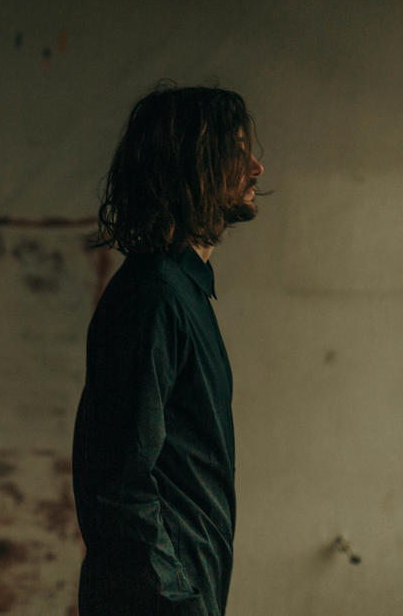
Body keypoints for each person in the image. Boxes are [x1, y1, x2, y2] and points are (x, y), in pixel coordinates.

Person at [72, 84, 264, 615]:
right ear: (193, 166)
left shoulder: (184, 293)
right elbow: (119, 484)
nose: (256, 167)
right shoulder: (155, 296)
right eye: (237, 151)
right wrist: (178, 603)